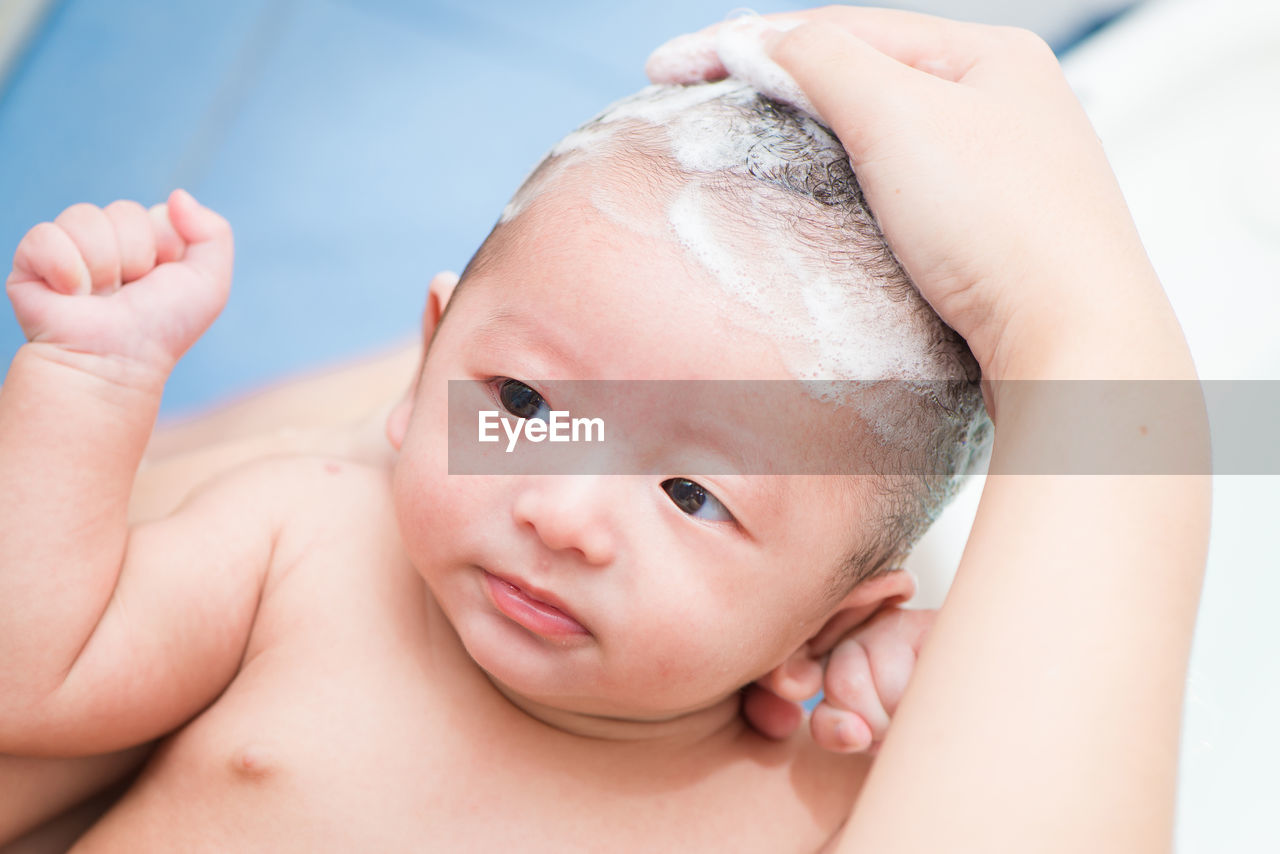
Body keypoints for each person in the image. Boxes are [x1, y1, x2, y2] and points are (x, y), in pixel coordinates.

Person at [0, 7, 1208, 854]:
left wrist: (926, 707)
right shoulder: (305, 548)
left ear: (825, 625)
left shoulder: (807, 786)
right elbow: (27, 678)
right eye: (524, 407)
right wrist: (88, 385)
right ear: (424, 368)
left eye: (692, 494)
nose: (560, 512)